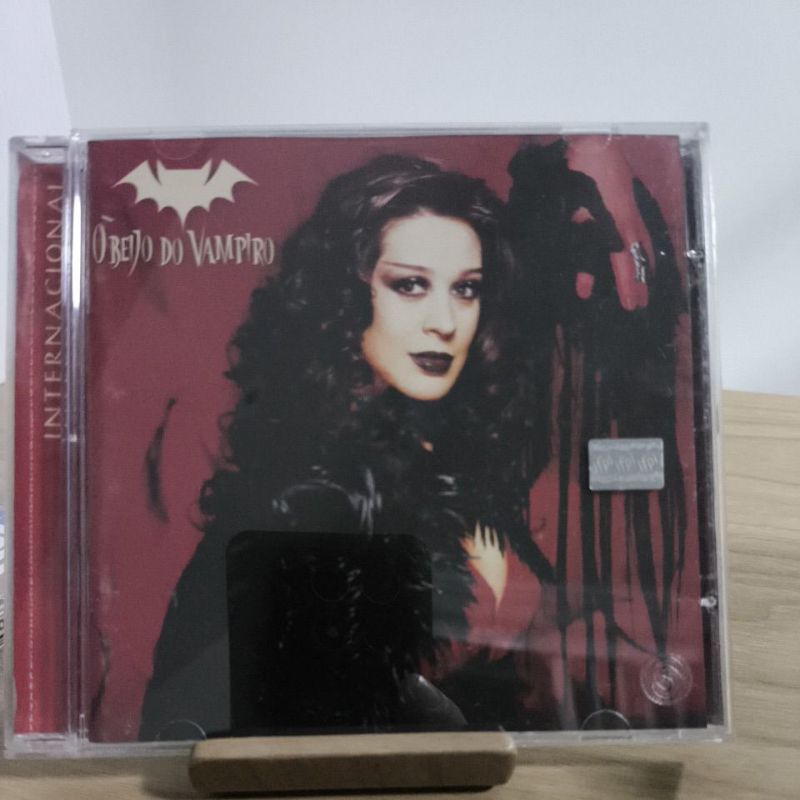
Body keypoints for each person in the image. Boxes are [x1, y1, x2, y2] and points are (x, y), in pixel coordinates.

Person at [138, 154, 554, 741]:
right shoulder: (307, 502)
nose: (445, 321)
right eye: (410, 285)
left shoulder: (465, 466)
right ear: (347, 293)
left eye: (466, 289)